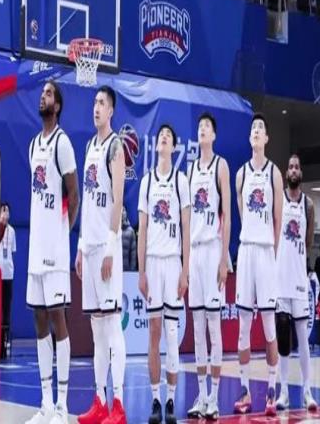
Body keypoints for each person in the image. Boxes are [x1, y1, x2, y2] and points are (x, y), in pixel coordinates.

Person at [25, 81, 79, 424]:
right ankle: (45, 404)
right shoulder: (33, 144)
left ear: (57, 106)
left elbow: (74, 195)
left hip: (55, 249)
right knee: (39, 319)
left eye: (48, 94)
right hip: (35, 248)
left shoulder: (63, 143)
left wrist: (63, 234)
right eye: (41, 93)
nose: (42, 97)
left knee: (58, 318)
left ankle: (62, 405)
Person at [76, 86, 127, 424]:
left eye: (102, 103)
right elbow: (86, 199)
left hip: (107, 248)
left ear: (111, 111)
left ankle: (118, 404)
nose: (96, 107)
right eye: (94, 102)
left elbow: (117, 199)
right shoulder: (89, 146)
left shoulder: (115, 146)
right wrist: (81, 246)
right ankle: (99, 400)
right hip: (90, 246)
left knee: (111, 327)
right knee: (96, 331)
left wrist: (110, 246)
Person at [138, 124, 190, 424]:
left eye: (169, 136)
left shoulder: (180, 181)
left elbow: (186, 227)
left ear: (173, 147)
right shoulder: (146, 182)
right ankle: (155, 400)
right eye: (161, 136)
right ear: (157, 146)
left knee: (172, 334)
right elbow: (142, 229)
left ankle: (171, 399)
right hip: (153, 263)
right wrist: (141, 271)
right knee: (154, 333)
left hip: (172, 263)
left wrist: (185, 269)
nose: (164, 139)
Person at [233, 113, 283, 417]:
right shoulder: (241, 174)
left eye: (261, 128)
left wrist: (272, 255)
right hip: (247, 250)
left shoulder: (274, 173)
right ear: (249, 137)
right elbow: (242, 214)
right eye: (253, 128)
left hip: (265, 253)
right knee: (242, 328)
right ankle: (245, 390)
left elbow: (277, 219)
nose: (256, 131)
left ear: (266, 139)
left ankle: (272, 390)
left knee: (268, 325)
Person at [186, 113, 231, 420]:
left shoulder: (220, 166)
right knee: (197, 329)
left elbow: (226, 216)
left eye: (207, 127)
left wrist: (224, 258)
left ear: (213, 135)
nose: (202, 130)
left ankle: (215, 396)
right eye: (200, 126)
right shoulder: (190, 169)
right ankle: (201, 396)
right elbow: (188, 217)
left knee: (214, 327)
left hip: (213, 250)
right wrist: (186, 262)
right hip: (195, 251)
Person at [274, 154, 317, 411]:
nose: (293, 170)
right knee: (282, 335)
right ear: (285, 172)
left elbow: (309, 241)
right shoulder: (278, 200)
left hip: (299, 280)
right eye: (290, 167)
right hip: (280, 279)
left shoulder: (308, 205)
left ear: (300, 173)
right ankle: (283, 393)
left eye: (297, 167)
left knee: (302, 337)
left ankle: (307, 391)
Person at [0, 202, 17, 358]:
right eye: (3, 211)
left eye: (7, 211)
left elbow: (12, 251)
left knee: (7, 308)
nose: (6, 213)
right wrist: (0, 224)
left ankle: (5, 340)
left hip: (8, 273)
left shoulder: (12, 231)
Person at [121, 206, 137, 271]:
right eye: (120, 210)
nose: (122, 213)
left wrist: (132, 270)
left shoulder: (131, 231)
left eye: (124, 210)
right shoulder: (111, 232)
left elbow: (133, 254)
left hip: (126, 270)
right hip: (113, 269)